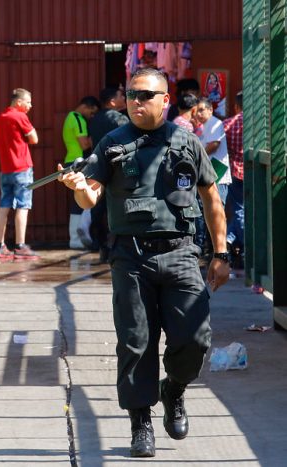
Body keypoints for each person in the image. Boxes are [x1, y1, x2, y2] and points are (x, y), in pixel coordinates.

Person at [57, 67, 230, 458]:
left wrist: (220, 253)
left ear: (165, 101)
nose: (137, 101)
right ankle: (141, 422)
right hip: (130, 257)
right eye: (133, 94)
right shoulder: (113, 142)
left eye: (146, 95)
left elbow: (212, 200)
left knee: (194, 338)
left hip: (181, 253)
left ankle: (174, 390)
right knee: (135, 343)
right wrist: (80, 188)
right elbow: (90, 197)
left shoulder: (187, 142)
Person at [0, 88, 39, 260]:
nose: (30, 105)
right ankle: (20, 245)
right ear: (19, 102)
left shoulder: (0, 118)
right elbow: (34, 139)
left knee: (4, 205)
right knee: (23, 205)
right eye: (28, 102)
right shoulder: (20, 117)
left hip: (6, 169)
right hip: (22, 168)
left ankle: (0, 246)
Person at [88, 87, 130, 261]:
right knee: (119, 207)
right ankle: (117, 246)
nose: (125, 99)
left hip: (97, 166)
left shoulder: (94, 119)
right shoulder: (120, 119)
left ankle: (101, 245)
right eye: (121, 96)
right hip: (116, 169)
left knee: (97, 208)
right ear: (112, 101)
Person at [195, 97, 231, 253]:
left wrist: (196, 155)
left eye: (202, 110)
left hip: (218, 176)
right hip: (209, 176)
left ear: (210, 110)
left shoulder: (214, 123)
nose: (198, 114)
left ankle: (219, 252)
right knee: (207, 212)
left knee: (216, 212)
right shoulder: (204, 126)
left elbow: (214, 145)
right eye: (196, 111)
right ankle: (210, 250)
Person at [62, 96, 100, 249]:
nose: (92, 116)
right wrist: (96, 139)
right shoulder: (77, 118)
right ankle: (76, 239)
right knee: (80, 200)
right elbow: (84, 144)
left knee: (79, 200)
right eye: (92, 113)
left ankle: (76, 238)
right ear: (85, 107)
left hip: (73, 161)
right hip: (77, 162)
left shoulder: (71, 117)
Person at [223, 91, 244, 267]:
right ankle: (239, 243)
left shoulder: (227, 124)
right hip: (257, 171)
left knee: (238, 209)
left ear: (236, 106)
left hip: (235, 172)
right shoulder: (261, 126)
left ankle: (231, 240)